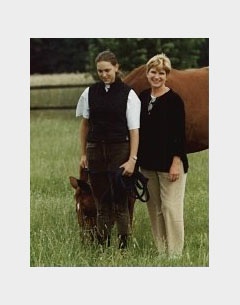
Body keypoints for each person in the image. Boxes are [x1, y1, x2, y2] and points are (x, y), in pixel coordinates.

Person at [76, 50, 141, 249]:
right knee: (101, 202)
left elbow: (134, 131)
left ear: (116, 68)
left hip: (120, 150)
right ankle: (102, 247)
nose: (104, 74)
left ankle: (123, 248)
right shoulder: (89, 92)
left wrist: (132, 159)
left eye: (107, 70)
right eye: (100, 71)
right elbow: (85, 125)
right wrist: (84, 153)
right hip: (96, 151)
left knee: (120, 202)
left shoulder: (129, 95)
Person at [138, 53, 189, 258]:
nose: (157, 76)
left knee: (171, 208)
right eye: (153, 72)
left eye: (161, 73)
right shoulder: (142, 97)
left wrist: (176, 162)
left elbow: (180, 134)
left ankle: (175, 254)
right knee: (155, 209)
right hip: (148, 164)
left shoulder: (174, 100)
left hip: (170, 165)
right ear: (147, 73)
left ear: (166, 75)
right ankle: (162, 251)